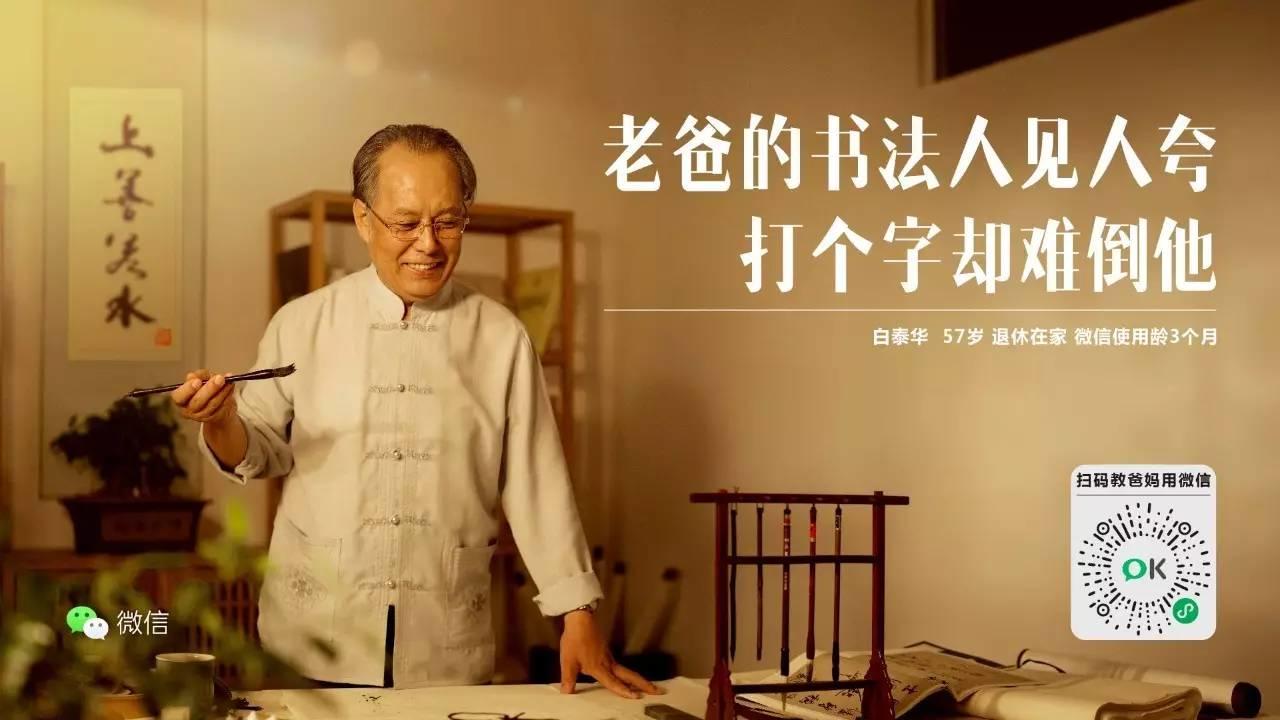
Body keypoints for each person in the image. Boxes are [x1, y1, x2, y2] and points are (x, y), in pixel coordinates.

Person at [171, 124, 659, 698]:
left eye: (448, 221)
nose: (428, 244)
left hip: (445, 642)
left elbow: (537, 482)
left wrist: (576, 614)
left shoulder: (500, 336)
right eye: (405, 223)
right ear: (363, 219)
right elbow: (258, 452)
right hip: (313, 637)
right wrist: (221, 420)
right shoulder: (303, 323)